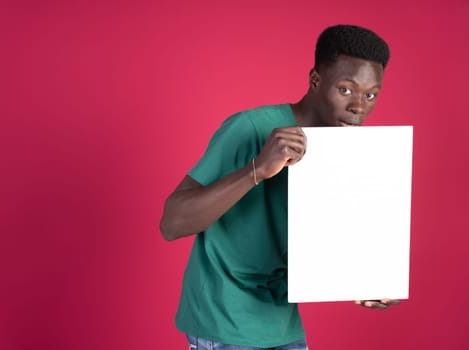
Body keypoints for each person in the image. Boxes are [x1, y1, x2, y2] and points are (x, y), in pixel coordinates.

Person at [160, 24, 400, 350]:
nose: (359, 106)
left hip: (282, 324)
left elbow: (315, 243)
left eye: (370, 94)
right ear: (316, 81)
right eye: (346, 89)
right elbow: (172, 223)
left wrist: (356, 280)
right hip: (225, 322)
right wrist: (257, 170)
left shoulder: (344, 154)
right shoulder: (249, 128)